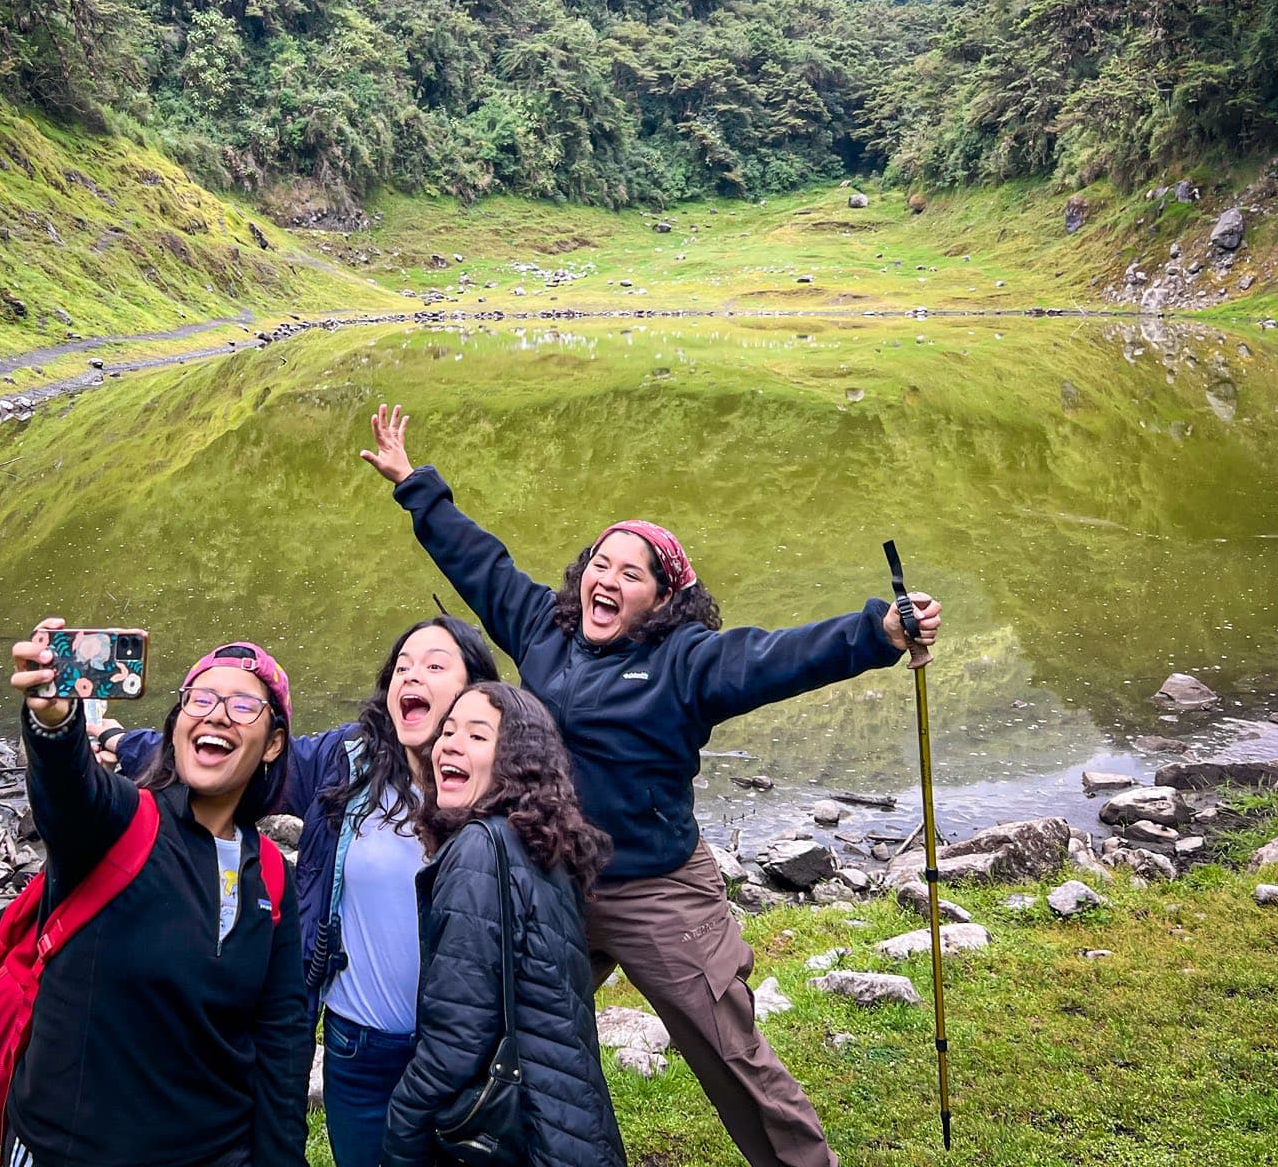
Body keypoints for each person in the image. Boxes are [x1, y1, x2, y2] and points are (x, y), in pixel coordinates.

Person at [361, 405, 943, 1167]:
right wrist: (417, 487)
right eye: (599, 563)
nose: (606, 578)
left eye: (629, 573)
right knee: (509, 1036)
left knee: (729, 1051)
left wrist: (877, 633)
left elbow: (777, 658)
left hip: (656, 889)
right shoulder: (545, 627)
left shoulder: (688, 661)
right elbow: (482, 564)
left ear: (663, 598)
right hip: (553, 877)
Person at [109, 616, 501, 1167]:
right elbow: (239, 754)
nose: (412, 676)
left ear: (474, 690)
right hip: (358, 1045)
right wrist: (121, 741)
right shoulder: (348, 761)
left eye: (435, 666)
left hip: (465, 1051)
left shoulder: (500, 779)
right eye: (403, 667)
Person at [6, 621, 312, 1167]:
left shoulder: (271, 875)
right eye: (200, 698)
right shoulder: (120, 821)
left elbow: (283, 1039)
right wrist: (55, 724)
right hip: (68, 1150)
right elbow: (69, 790)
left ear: (273, 745)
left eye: (243, 706)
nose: (216, 713)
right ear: (176, 725)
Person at [382, 682, 625, 1167]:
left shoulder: (479, 851)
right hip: (568, 1115)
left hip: (517, 1131)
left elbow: (458, 1036)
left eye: (476, 736)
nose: (449, 744)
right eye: (448, 731)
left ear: (516, 761)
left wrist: (400, 1129)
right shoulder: (539, 846)